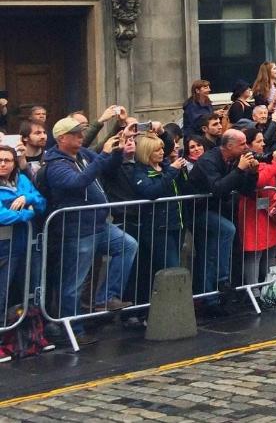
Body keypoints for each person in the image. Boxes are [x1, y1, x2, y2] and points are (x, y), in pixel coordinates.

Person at [42, 118, 137, 321]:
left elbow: (108, 167)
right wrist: (103, 154)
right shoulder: (56, 165)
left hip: (98, 223)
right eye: (75, 133)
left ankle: (107, 297)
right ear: (61, 138)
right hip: (77, 229)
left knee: (127, 245)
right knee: (74, 282)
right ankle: (73, 327)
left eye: (81, 132)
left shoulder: (83, 154)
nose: (80, 136)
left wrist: (119, 148)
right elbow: (79, 182)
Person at [188, 128, 259, 315]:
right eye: (242, 144)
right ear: (229, 146)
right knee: (224, 234)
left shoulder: (235, 160)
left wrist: (252, 173)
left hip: (220, 211)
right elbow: (218, 188)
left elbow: (247, 190)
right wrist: (239, 170)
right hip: (199, 211)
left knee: (211, 253)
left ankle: (213, 297)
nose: (246, 147)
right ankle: (220, 282)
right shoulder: (209, 161)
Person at [123, 133, 190, 311]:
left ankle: (166, 309)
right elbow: (152, 192)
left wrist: (180, 172)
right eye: (157, 150)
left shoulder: (166, 166)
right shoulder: (140, 172)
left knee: (169, 268)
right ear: (147, 152)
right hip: (158, 227)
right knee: (170, 268)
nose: (162, 152)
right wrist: (173, 171)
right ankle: (171, 311)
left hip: (176, 223)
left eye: (162, 149)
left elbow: (184, 188)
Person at [236, 127, 276, 286]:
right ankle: (254, 288)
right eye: (258, 141)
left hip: (270, 209)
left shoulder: (264, 161)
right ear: (248, 145)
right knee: (255, 253)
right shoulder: (246, 161)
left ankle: (270, 285)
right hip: (253, 212)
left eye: (263, 140)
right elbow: (260, 180)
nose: (263, 144)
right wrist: (275, 163)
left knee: (271, 249)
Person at [0, 144, 45, 320]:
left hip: (27, 245)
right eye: (0, 160)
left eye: (7, 160)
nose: (3, 164)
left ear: (14, 163)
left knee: (32, 292)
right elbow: (3, 216)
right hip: (5, 250)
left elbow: (42, 202)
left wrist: (28, 197)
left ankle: (30, 336)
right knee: (3, 293)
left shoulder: (23, 180)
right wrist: (28, 212)